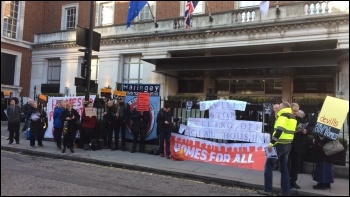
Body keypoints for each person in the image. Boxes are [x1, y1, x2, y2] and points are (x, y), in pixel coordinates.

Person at [260, 102, 297, 196]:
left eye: (280, 106)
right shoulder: (293, 117)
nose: (278, 108)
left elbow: (279, 130)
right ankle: (286, 192)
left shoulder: (283, 116)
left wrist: (271, 143)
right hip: (287, 145)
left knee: (268, 165)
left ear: (284, 107)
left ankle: (268, 190)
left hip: (278, 145)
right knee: (284, 169)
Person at [310, 102, 334, 190]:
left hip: (322, 145)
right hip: (328, 145)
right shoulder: (331, 118)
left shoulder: (324, 119)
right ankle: (327, 182)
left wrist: (318, 141)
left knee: (322, 165)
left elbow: (320, 132)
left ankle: (322, 183)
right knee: (327, 165)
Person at [289, 104, 308, 189]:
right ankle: (287, 180)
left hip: (297, 145)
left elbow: (307, 131)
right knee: (288, 164)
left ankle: (293, 181)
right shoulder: (288, 118)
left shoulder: (301, 120)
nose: (296, 113)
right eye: (295, 111)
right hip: (289, 143)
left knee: (295, 164)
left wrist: (305, 131)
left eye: (297, 111)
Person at [268, 104, 281, 171]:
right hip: (272, 136)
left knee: (278, 151)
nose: (276, 110)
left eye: (277, 108)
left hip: (279, 136)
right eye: (275, 108)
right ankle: (274, 165)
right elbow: (269, 126)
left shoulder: (281, 116)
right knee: (273, 151)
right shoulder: (271, 116)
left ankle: (278, 165)